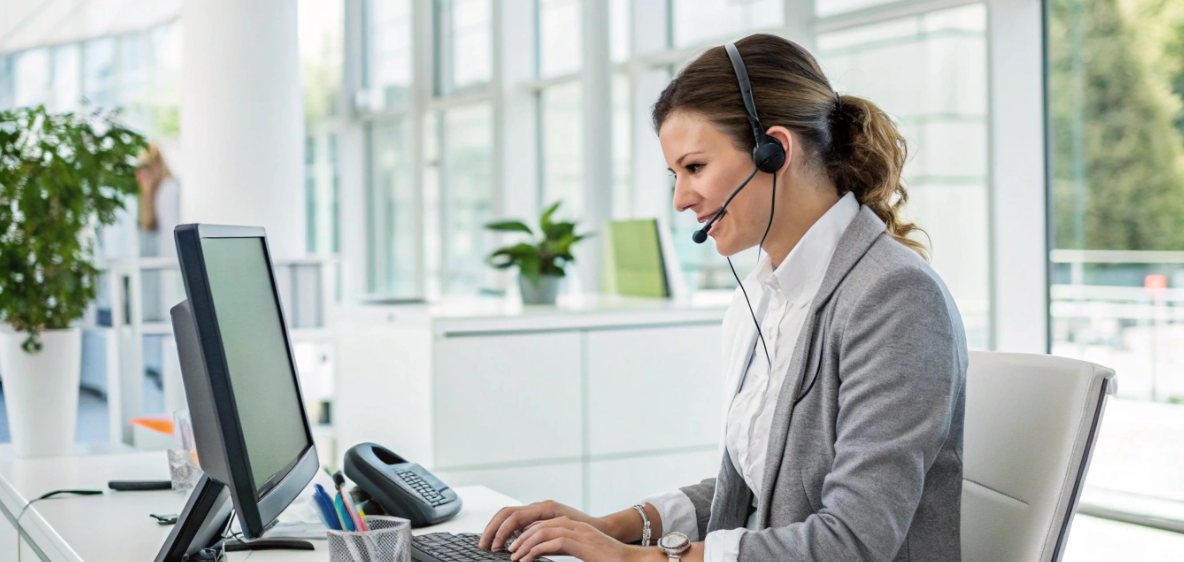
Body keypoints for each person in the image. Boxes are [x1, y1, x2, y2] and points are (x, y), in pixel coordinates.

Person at [477, 33, 967, 562]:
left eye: (694, 168)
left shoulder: (893, 296)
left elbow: (851, 542)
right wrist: (615, 526)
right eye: (675, 175)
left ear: (774, 150)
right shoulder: (768, 293)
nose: (682, 199)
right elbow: (761, 491)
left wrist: (642, 559)